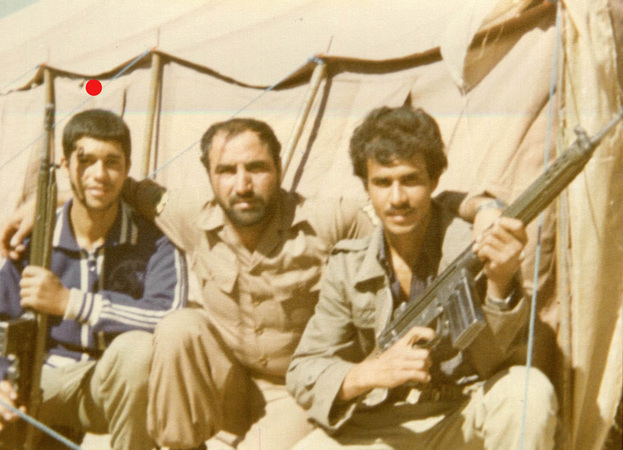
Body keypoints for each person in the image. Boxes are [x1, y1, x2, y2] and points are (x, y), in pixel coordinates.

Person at [0, 115, 500, 450]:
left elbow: (406, 203)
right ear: (209, 176)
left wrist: (481, 206)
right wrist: (42, 203)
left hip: (296, 390)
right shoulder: (189, 213)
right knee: (178, 327)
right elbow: (110, 185)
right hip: (228, 382)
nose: (242, 184)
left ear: (279, 170)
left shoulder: (328, 219)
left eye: (256, 168)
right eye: (227, 171)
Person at [286, 106, 558, 449]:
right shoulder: (349, 265)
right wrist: (369, 373)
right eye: (382, 182)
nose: (397, 198)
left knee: (528, 392)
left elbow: (501, 363)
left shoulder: (474, 242)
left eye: (411, 180)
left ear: (434, 180)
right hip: (385, 421)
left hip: (463, 413)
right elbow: (304, 370)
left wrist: (500, 284)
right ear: (366, 187)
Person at [0, 109, 187, 450]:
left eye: (112, 162)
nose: (99, 174)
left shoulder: (154, 240)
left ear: (127, 169)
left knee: (138, 350)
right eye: (85, 161)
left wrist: (71, 302)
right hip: (40, 380)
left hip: (113, 386)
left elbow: (168, 316)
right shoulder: (36, 238)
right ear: (65, 164)